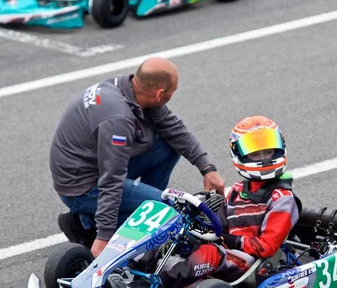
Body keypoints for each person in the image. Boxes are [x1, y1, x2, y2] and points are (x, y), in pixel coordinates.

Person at [49, 56, 225, 258]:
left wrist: (207, 168)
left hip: (92, 166)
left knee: (168, 145)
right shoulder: (118, 119)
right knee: (168, 213)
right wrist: (104, 237)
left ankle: (141, 212)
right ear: (160, 94)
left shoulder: (131, 88)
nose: (173, 95)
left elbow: (174, 129)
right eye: (173, 91)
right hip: (82, 188)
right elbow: (112, 179)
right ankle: (86, 224)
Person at [131, 116, 300, 288]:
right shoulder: (238, 190)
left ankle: (153, 286)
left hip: (252, 264)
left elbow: (266, 247)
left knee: (209, 253)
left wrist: (227, 240)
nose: (263, 159)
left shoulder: (282, 199)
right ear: (239, 154)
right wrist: (196, 232)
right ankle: (133, 272)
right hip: (228, 250)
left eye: (268, 152)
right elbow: (220, 225)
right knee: (169, 230)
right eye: (255, 154)